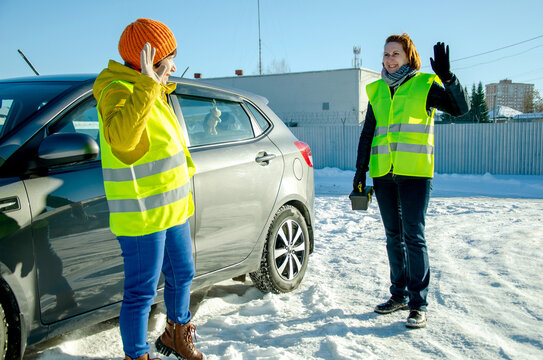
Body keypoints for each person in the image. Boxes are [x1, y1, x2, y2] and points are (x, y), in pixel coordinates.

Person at [93, 18, 203, 360]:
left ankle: (176, 333)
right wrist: (145, 85)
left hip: (172, 208)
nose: (174, 65)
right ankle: (136, 354)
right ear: (150, 60)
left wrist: (151, 85)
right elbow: (124, 142)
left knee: (183, 273)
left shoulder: (157, 90)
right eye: (169, 57)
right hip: (141, 213)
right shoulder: (117, 90)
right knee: (141, 291)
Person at [353, 33, 470, 329]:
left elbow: (461, 109)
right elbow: (368, 135)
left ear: (409, 58)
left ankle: (419, 304)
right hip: (384, 174)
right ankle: (399, 295)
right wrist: (359, 173)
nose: (390, 59)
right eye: (386, 54)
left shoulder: (424, 85)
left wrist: (448, 77)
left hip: (415, 173)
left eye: (396, 54)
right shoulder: (377, 90)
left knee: (413, 237)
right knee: (393, 236)